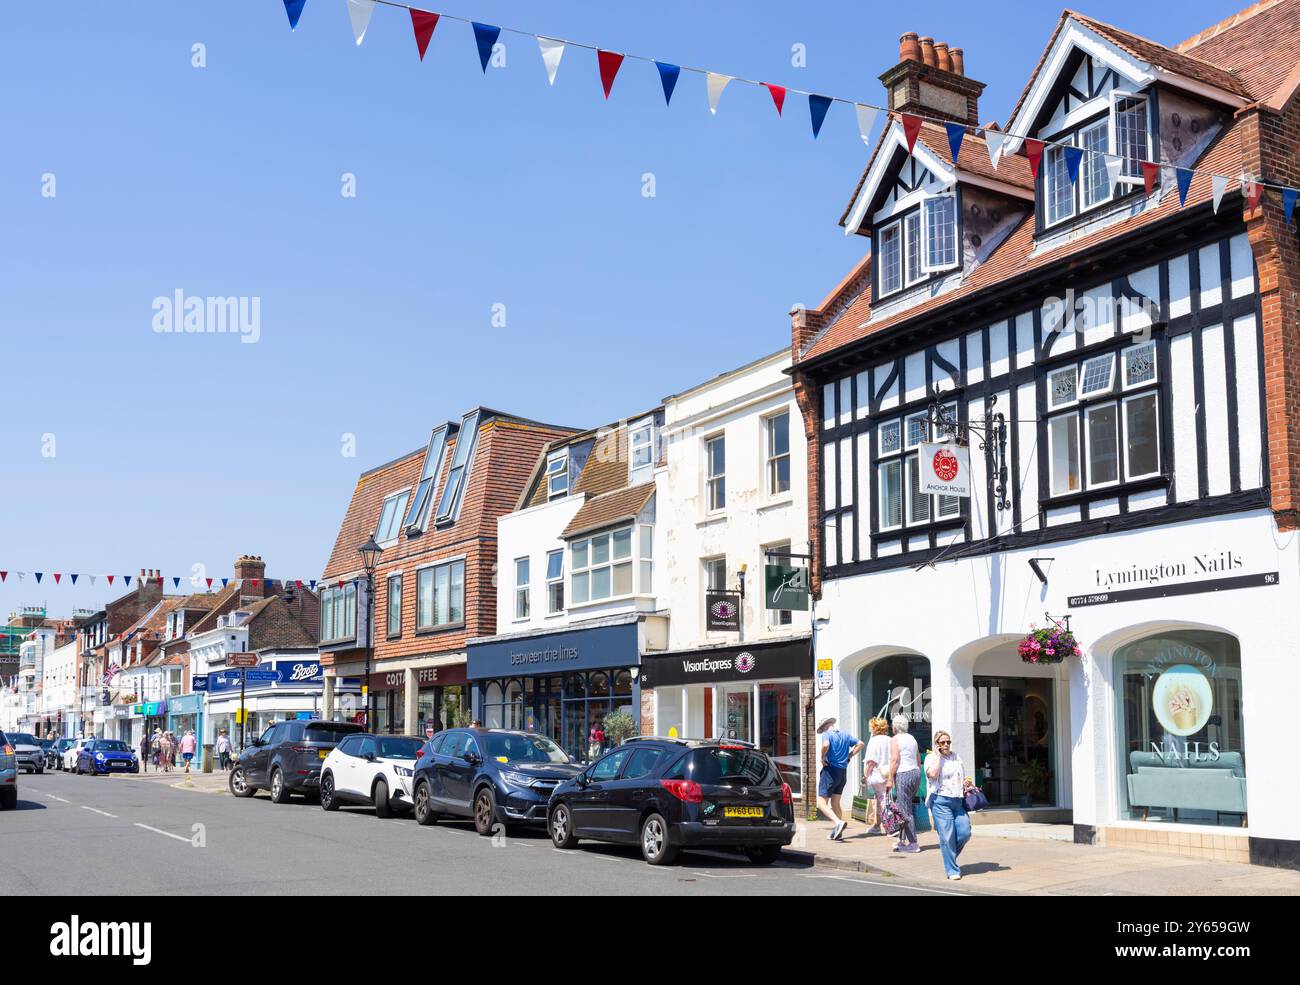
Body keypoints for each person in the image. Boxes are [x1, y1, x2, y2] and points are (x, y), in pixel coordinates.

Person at [924, 729, 975, 880]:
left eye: (948, 742)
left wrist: (966, 782)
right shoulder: (931, 758)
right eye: (942, 742)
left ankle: (949, 855)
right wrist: (939, 757)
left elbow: (961, 775)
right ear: (936, 744)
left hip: (957, 801)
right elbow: (932, 775)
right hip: (940, 801)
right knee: (947, 837)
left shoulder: (956, 757)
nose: (946, 745)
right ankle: (952, 870)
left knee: (965, 832)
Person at [816, 717, 864, 841]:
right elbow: (861, 743)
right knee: (835, 803)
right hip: (842, 772)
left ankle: (838, 822)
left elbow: (826, 745)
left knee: (821, 803)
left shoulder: (827, 734)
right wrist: (849, 756)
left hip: (830, 771)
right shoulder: (845, 734)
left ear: (824, 726)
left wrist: (822, 757)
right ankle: (838, 833)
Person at [886, 715, 922, 854]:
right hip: (915, 772)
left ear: (895, 726)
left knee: (904, 811)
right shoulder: (911, 738)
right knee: (903, 807)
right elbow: (918, 759)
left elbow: (895, 760)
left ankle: (913, 843)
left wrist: (890, 779)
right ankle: (901, 840)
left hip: (904, 774)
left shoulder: (895, 739)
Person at [861, 717, 892, 835]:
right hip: (889, 774)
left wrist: (865, 776)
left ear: (874, 728)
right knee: (884, 799)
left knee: (881, 800)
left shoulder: (874, 741)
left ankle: (888, 826)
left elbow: (871, 762)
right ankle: (877, 825)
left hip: (877, 775)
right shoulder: (890, 739)